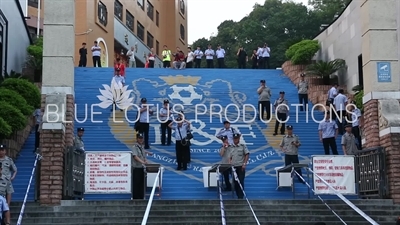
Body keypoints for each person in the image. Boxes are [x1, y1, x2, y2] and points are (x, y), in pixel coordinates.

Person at [131, 133, 153, 199]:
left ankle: (141, 196)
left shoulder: (141, 147)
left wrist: (146, 161)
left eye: (142, 138)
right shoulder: (134, 147)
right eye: (139, 138)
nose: (141, 139)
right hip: (136, 168)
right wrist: (143, 162)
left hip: (142, 168)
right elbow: (135, 156)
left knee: (141, 183)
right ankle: (136, 197)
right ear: (137, 139)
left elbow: (143, 155)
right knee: (136, 183)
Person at [229, 133, 250, 199]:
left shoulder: (242, 146)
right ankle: (237, 194)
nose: (235, 140)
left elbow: (247, 154)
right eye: (234, 138)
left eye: (237, 138)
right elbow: (229, 157)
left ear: (239, 139)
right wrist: (230, 163)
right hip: (233, 167)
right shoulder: (230, 147)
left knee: (240, 181)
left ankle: (240, 196)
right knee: (235, 182)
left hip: (241, 166)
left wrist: (244, 164)